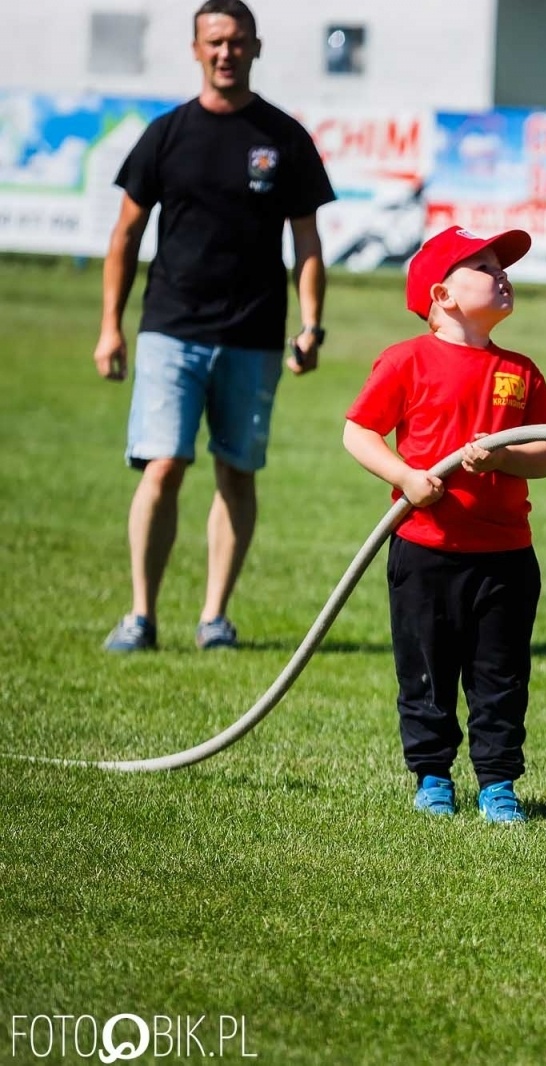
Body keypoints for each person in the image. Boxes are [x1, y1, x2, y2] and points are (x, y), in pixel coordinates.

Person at [96, 0, 335, 652]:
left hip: (254, 335)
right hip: (169, 327)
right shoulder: (167, 134)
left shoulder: (284, 137)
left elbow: (308, 242)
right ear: (196, 50)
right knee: (164, 465)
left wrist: (312, 324)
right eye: (214, 42)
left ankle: (213, 618)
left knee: (236, 471)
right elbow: (125, 234)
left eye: (237, 41)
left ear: (256, 47)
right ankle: (140, 616)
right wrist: (110, 327)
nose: (226, 52)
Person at [342, 227, 546, 823]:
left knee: (501, 675)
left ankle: (497, 783)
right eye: (486, 267)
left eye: (503, 266)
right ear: (442, 293)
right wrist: (408, 477)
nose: (502, 275)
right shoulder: (406, 359)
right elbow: (358, 432)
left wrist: (505, 457)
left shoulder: (521, 370)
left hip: (507, 555)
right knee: (426, 670)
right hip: (426, 551)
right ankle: (432, 775)